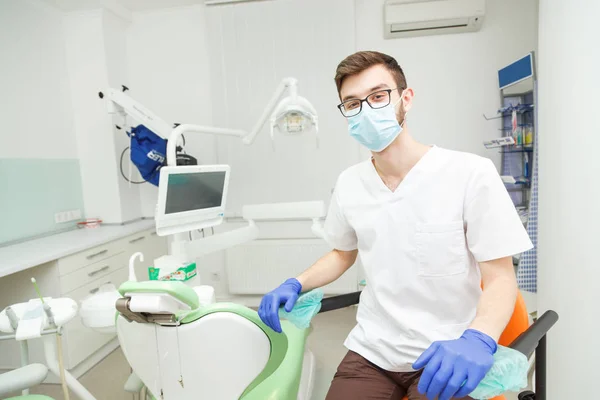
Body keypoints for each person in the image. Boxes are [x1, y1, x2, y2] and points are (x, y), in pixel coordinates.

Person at [258, 51, 533, 400]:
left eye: (377, 96)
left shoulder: (469, 174)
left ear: (406, 98)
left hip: (445, 352)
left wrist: (478, 338)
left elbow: (500, 277)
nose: (366, 110)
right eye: (352, 103)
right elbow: (343, 252)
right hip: (373, 351)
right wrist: (296, 282)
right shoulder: (349, 183)